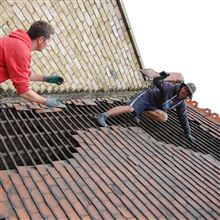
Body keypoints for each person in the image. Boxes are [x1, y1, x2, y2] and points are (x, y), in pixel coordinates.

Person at [97, 71, 196, 143]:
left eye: (187, 92)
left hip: (152, 106)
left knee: (164, 117)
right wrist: (160, 77)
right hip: (146, 97)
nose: (184, 91)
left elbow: (183, 117)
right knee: (130, 108)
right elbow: (157, 82)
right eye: (185, 88)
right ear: (182, 86)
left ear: (188, 95)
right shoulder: (170, 88)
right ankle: (103, 115)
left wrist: (188, 133)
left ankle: (139, 111)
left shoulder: (180, 103)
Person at [0, 20, 65, 108]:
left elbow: (22, 74)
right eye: (49, 41)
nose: (49, 45)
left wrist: (46, 78)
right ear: (41, 40)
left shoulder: (18, 43)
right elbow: (24, 91)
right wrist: (46, 101)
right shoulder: (21, 51)